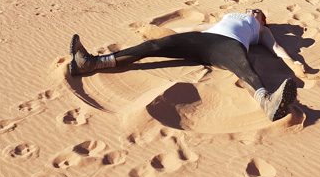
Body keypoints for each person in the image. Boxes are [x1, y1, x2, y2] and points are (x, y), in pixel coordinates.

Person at [68, 9, 304, 121]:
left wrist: (293, 62)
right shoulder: (226, 18)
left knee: (244, 67)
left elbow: (275, 48)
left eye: (259, 12)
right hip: (201, 40)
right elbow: (193, 29)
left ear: (264, 20)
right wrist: (164, 35)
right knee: (155, 47)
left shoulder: (261, 30)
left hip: (229, 47)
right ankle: (90, 63)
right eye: (252, 10)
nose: (253, 11)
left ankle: (266, 101)